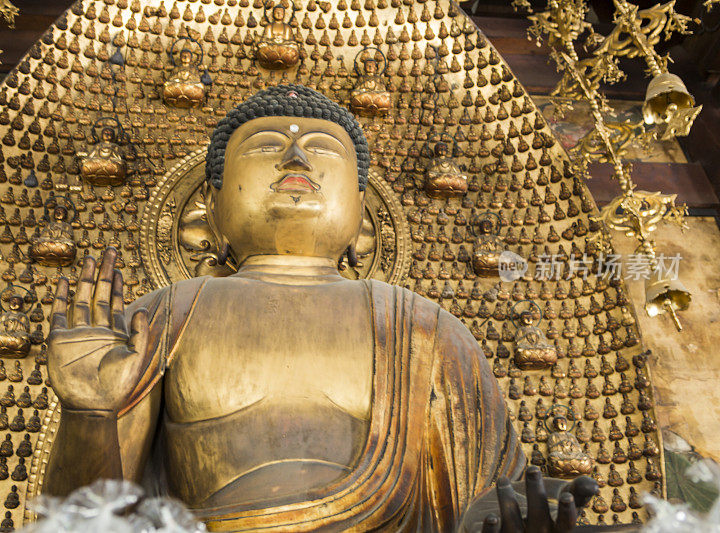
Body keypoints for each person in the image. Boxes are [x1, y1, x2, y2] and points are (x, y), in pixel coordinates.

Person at [43, 85, 595, 531]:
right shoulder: (164, 315)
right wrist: (88, 415)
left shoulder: (427, 329)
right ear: (209, 209)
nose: (295, 156)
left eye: (323, 150)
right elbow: (79, 523)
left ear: (360, 210)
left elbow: (485, 503)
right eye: (264, 147)